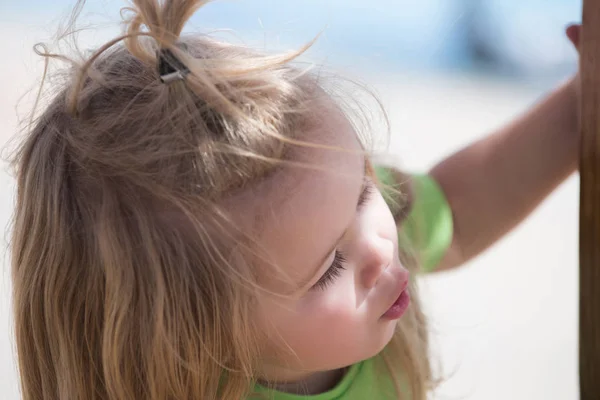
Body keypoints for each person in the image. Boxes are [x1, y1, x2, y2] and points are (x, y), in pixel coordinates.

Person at [8, 0, 582, 398]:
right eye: (330, 268)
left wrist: (583, 100)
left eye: (363, 191)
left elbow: (456, 215)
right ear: (196, 339)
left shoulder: (327, 235)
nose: (383, 248)